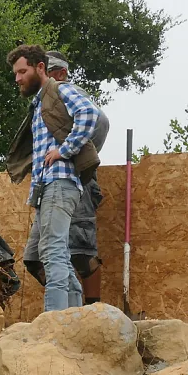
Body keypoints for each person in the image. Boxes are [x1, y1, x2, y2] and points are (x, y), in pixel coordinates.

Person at [4, 44, 100, 312]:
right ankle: (72, 316)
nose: (18, 78)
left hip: (61, 183)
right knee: (52, 252)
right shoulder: (39, 104)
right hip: (49, 187)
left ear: (41, 68)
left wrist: (65, 150)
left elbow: (90, 113)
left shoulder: (59, 89)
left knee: (54, 251)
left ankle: (55, 320)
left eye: (22, 71)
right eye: (15, 73)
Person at [31, 50, 110, 302]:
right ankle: (69, 306)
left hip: (73, 177)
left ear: (61, 73)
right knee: (39, 255)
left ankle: (88, 311)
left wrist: (69, 153)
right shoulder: (41, 101)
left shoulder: (67, 92)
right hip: (49, 181)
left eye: (48, 70)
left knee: (79, 250)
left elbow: (98, 121)